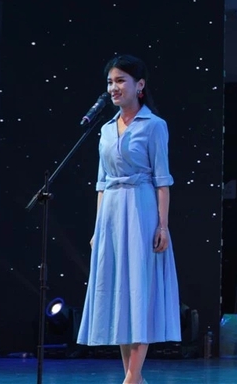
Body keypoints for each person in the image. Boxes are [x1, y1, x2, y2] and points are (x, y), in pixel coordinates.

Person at [77, 54, 181, 384]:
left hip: (141, 209)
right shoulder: (106, 130)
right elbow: (101, 183)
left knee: (139, 290)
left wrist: (162, 226)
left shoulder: (154, 125)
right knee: (121, 294)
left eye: (121, 80)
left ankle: (132, 378)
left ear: (140, 85)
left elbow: (162, 181)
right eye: (110, 82)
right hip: (111, 214)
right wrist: (98, 229)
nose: (114, 87)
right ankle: (133, 377)